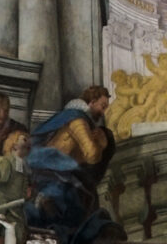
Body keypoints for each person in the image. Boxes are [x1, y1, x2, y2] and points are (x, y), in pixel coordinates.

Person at [27, 85, 121, 244]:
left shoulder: (69, 117)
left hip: (55, 174)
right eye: (102, 106)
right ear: (91, 102)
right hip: (57, 177)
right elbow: (92, 155)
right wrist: (102, 142)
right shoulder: (78, 120)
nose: (103, 112)